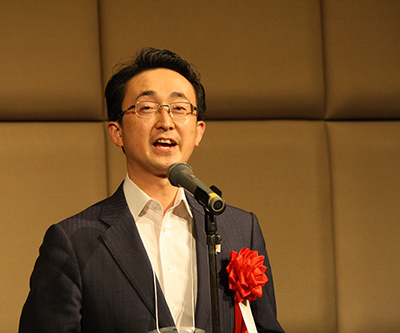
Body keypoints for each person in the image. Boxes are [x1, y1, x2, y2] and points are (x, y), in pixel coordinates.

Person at [19, 47, 284, 332]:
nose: (166, 122)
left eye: (180, 108)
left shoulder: (240, 228)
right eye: (147, 108)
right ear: (116, 132)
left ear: (198, 131)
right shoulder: (73, 242)